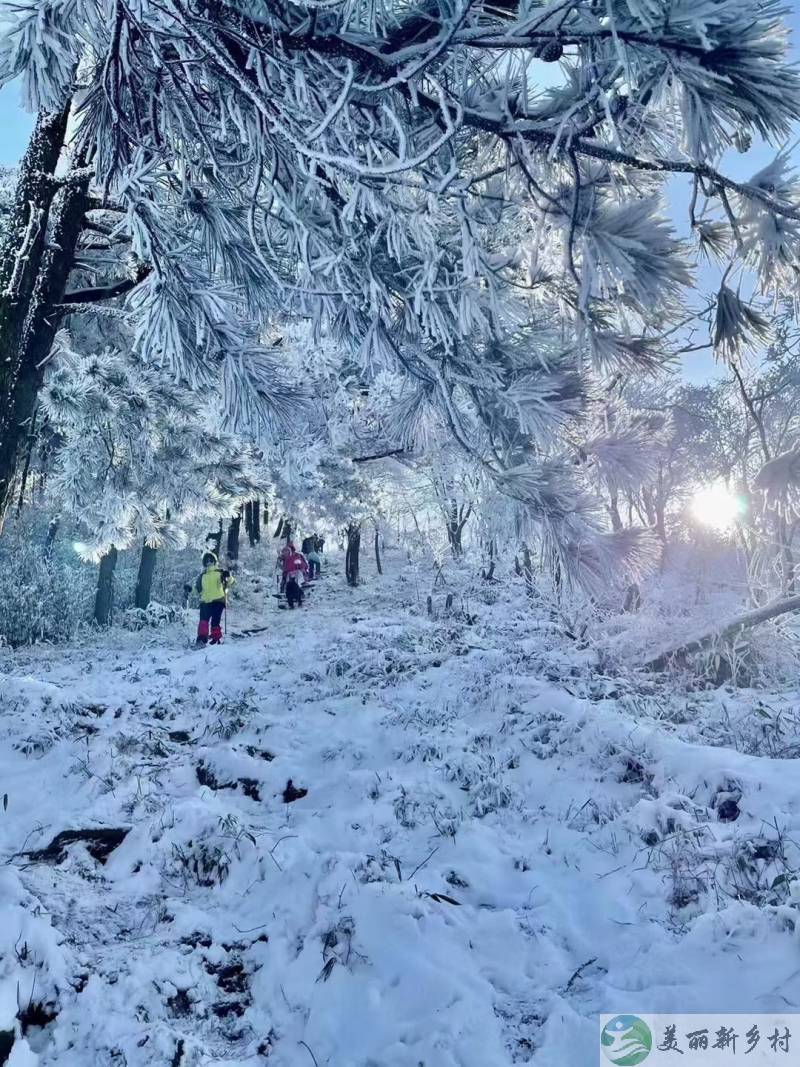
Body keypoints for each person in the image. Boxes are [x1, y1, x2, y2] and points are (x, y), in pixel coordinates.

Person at [195, 551, 234, 645]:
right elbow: (197, 589)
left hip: (218, 600)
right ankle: (202, 638)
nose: (209, 562)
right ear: (204, 563)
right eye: (207, 561)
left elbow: (230, 582)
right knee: (203, 621)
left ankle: (216, 638)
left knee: (215, 621)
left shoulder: (220, 573)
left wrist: (228, 576)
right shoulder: (202, 576)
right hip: (205, 601)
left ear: (214, 561)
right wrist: (189, 590)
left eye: (211, 560)